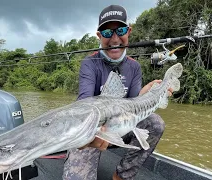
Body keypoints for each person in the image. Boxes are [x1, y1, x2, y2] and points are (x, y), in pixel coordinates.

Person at [62, 4, 173, 180]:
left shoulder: (134, 66)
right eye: (107, 33)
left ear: (128, 31)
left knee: (155, 123)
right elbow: (84, 103)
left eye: (120, 30)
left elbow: (133, 103)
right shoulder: (89, 64)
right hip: (94, 132)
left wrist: (149, 92)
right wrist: (85, 135)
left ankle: (121, 175)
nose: (114, 39)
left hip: (123, 127)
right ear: (99, 36)